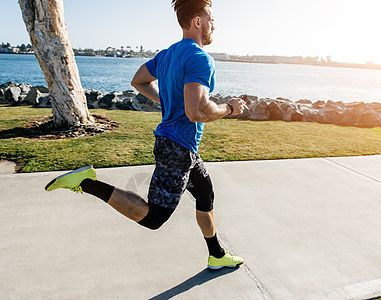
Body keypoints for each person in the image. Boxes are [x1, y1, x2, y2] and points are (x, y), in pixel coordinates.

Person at [45, 0, 245, 269]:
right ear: (197, 21)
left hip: (180, 147)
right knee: (153, 218)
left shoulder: (168, 54)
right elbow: (198, 111)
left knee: (205, 194)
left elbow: (138, 80)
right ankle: (86, 182)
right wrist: (230, 108)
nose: (214, 25)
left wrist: (167, 101)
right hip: (178, 148)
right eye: (211, 19)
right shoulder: (200, 58)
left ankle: (217, 255)